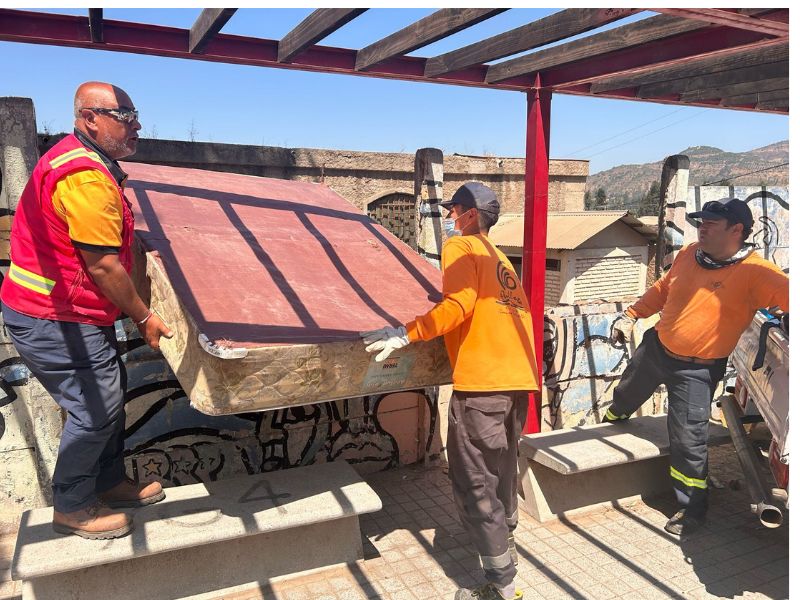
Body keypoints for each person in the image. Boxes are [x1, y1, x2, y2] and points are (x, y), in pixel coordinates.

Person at [0, 81, 173, 539]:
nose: (135, 124)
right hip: (51, 317)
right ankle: (73, 506)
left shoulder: (89, 161)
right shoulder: (86, 176)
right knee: (94, 409)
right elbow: (101, 264)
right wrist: (143, 316)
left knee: (109, 400)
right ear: (89, 118)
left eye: (135, 114)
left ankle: (109, 481)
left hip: (72, 313)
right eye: (123, 115)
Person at [362, 182, 538, 600]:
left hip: (483, 386)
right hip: (517, 381)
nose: (449, 217)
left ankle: (500, 584)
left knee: (474, 480)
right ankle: (505, 542)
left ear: (471, 215)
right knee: (501, 470)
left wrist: (407, 333)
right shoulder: (499, 259)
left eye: (454, 209)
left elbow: (458, 305)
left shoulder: (462, 248)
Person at [605, 197, 789, 536]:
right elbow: (662, 289)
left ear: (737, 230)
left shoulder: (757, 273)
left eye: (710, 224)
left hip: (698, 371)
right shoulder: (690, 253)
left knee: (688, 440)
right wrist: (631, 315)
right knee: (626, 394)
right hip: (657, 349)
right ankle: (611, 423)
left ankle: (692, 510)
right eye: (700, 222)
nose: (701, 228)